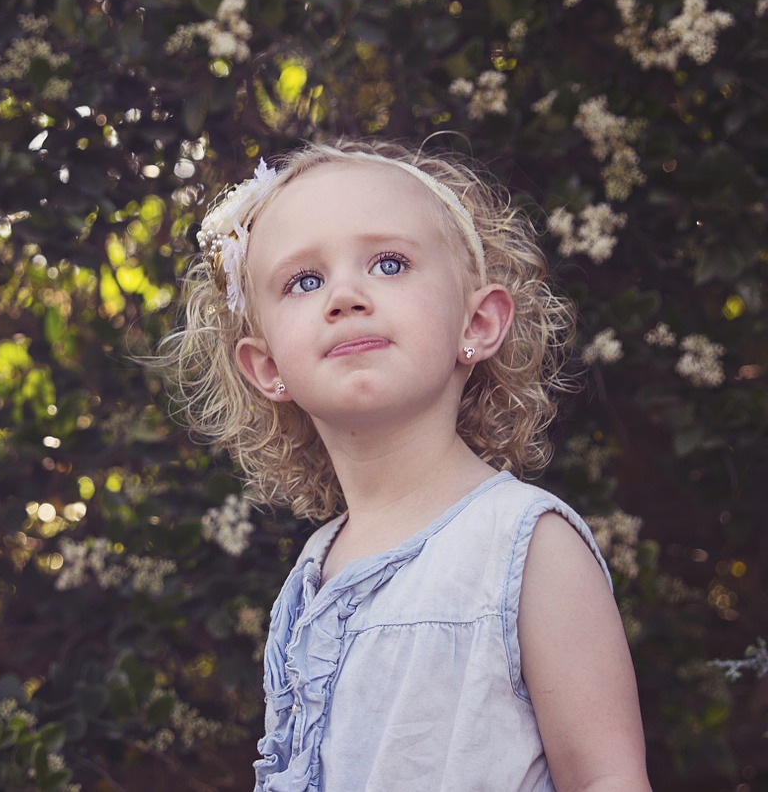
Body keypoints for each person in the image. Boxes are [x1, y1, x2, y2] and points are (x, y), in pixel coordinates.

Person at [155, 138, 650, 790]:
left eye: (388, 263)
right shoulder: (308, 579)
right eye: (305, 280)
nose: (345, 294)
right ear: (268, 367)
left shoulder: (527, 546)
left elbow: (605, 779)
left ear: (477, 323)